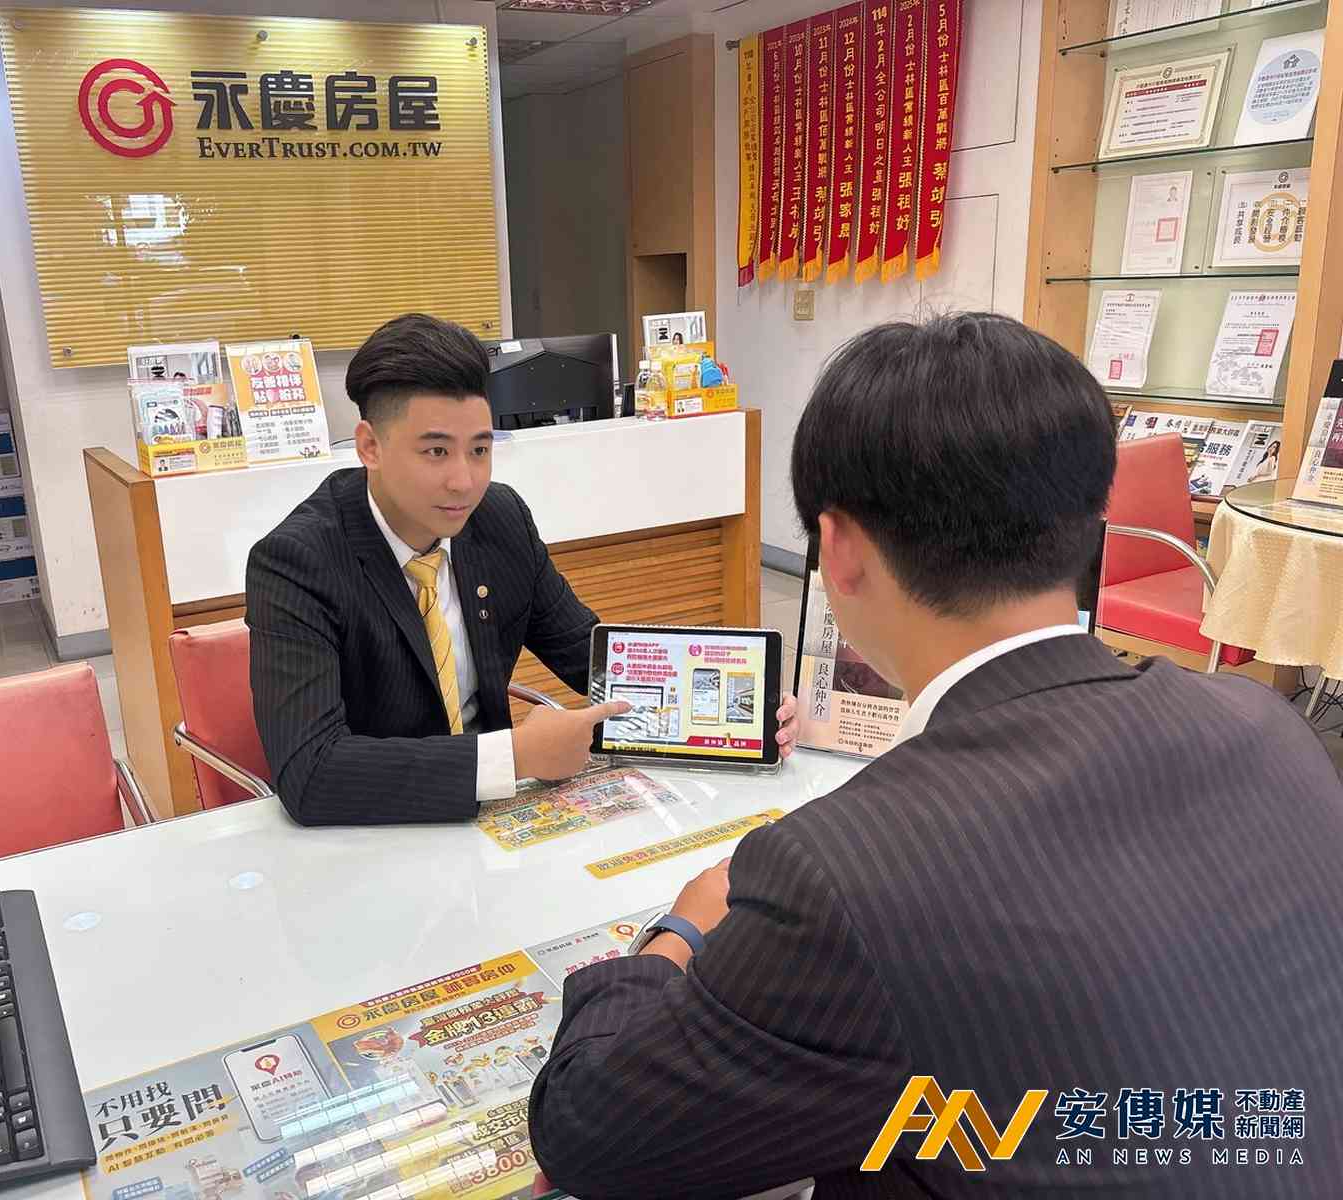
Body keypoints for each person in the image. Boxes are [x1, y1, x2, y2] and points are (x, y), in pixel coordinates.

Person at [527, 312, 1343, 1198]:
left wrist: (680, 930)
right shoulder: (1271, 729)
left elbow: (588, 1131)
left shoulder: (844, 875)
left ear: (838, 550)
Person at [246, 313, 799, 825]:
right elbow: (311, 773)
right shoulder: (298, 561)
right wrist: (512, 757)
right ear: (370, 446)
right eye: (436, 452)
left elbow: (592, 656)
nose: (464, 481)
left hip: (491, 827)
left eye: (479, 450)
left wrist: (743, 709)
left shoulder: (499, 519)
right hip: (369, 832)